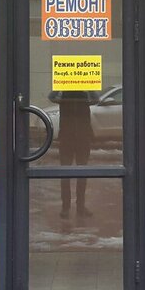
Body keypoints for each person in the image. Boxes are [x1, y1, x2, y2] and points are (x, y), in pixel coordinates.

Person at [48, 90, 97, 218]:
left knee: (81, 173)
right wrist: (61, 84)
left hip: (81, 137)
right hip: (68, 137)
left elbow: (96, 99)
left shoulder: (82, 94)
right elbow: (51, 97)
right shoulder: (66, 93)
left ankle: (79, 206)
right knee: (66, 174)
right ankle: (67, 207)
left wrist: (88, 85)